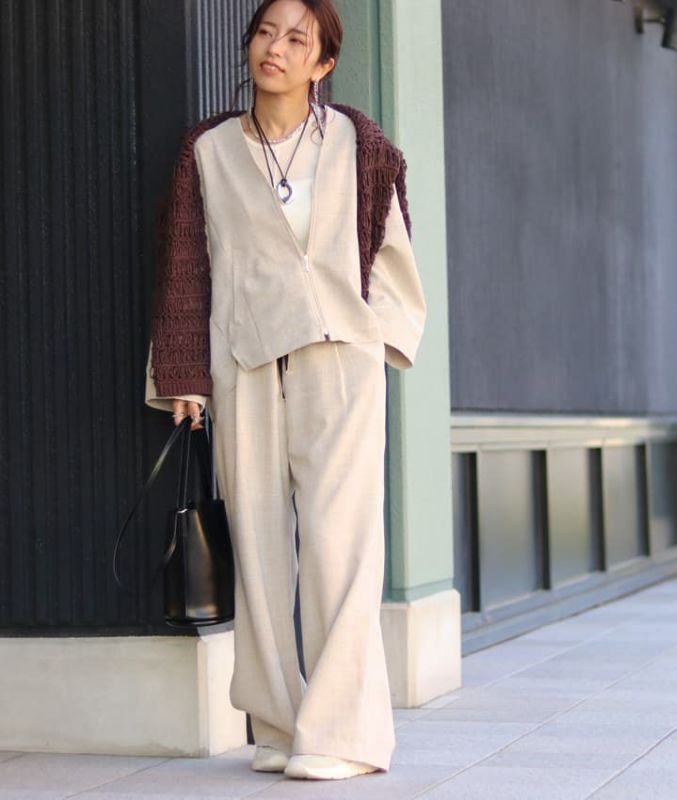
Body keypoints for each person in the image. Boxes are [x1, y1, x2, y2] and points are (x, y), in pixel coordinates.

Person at [143, 0, 426, 782]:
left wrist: (378, 339)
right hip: (246, 362)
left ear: (323, 63)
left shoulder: (359, 143)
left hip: (340, 361)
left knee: (341, 548)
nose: (276, 48)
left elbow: (390, 246)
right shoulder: (207, 150)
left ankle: (344, 735)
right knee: (260, 550)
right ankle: (276, 723)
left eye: (297, 38)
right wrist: (183, 377)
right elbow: (185, 266)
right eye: (266, 32)